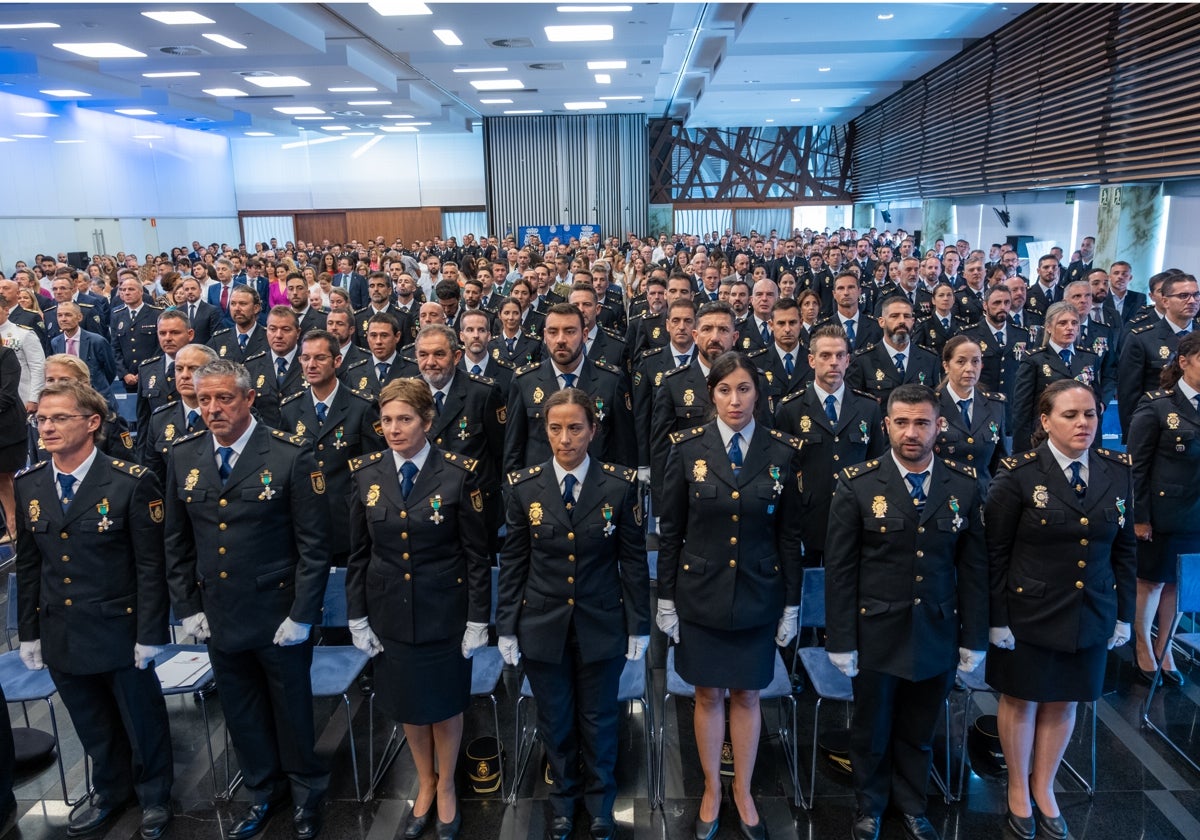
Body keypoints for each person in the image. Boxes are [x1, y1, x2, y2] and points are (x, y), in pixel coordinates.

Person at [164, 359, 332, 840]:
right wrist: (187, 607)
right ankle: (263, 790)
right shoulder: (183, 456)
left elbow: (314, 547)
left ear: (248, 398)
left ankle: (306, 791)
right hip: (218, 610)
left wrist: (303, 614)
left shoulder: (289, 455)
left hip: (278, 611)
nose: (212, 409)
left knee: (291, 708)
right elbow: (176, 543)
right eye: (203, 400)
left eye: (223, 399)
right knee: (240, 711)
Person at [824, 383, 988, 840]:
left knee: (919, 729)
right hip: (876, 627)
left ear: (940, 426)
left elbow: (973, 569)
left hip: (936, 627)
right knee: (871, 730)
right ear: (887, 427)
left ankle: (913, 804)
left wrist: (973, 636)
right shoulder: (857, 484)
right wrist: (841, 639)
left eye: (921, 422)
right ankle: (870, 806)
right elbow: (840, 570)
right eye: (901, 422)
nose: (911, 432)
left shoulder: (965, 485)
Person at [14, 380, 173, 839]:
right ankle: (110, 789)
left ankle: (155, 796)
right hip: (62, 626)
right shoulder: (31, 483)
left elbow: (150, 565)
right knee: (91, 722)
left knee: (141, 720)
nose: (47, 427)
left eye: (60, 418)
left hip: (118, 626)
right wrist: (29, 631)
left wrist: (150, 632)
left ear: (92, 422)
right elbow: (29, 564)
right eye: (42, 419)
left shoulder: (130, 483)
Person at [656, 352, 804, 840]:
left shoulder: (782, 450)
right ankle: (711, 790)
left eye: (743, 389)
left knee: (746, 693)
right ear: (710, 394)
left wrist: (791, 603)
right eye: (724, 390)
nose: (734, 399)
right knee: (707, 694)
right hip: (700, 592)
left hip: (760, 592)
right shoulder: (684, 448)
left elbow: (789, 536)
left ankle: (741, 789)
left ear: (757, 394)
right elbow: (671, 530)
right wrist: (666, 599)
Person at [985, 379, 1135, 840]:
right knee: (1023, 700)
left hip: (1090, 608)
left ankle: (1044, 787)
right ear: (1046, 421)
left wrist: (1125, 614)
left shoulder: (1117, 470)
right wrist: (996, 619)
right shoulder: (1019, 474)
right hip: (1029, 611)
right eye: (1070, 415)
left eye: (1089, 414)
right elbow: (994, 552)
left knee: (1064, 700)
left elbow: (1126, 550)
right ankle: (1017, 788)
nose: (1083, 423)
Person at [497, 389, 650, 840]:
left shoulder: (619, 485)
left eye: (576, 427)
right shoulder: (524, 486)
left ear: (593, 430)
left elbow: (633, 561)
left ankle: (600, 803)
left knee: (600, 718)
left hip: (601, 620)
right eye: (556, 428)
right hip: (542, 623)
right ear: (545, 431)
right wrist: (506, 624)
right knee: (556, 720)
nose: (566, 438)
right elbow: (514, 561)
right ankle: (563, 801)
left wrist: (638, 623)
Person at [345, 379, 490, 840]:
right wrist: (356, 615)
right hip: (390, 612)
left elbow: (477, 555)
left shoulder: (458, 473)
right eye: (386, 419)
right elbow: (358, 553)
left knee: (445, 706)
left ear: (427, 422)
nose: (394, 428)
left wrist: (477, 619)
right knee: (409, 706)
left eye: (404, 419)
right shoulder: (366, 473)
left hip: (444, 609)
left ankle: (447, 786)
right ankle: (423, 783)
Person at [774, 325, 886, 568]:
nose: (833, 362)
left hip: (856, 519)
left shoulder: (868, 408)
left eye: (839, 356)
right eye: (825, 356)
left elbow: (878, 465)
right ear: (812, 360)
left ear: (848, 360)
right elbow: (782, 473)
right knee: (810, 596)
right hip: (808, 522)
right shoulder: (790, 409)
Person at [1126, 332, 1200, 686]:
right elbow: (1136, 466)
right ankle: (1142, 645)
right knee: (1152, 583)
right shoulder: (1158, 405)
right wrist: (1140, 517)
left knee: (1177, 584)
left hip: (1196, 514)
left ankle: (1165, 645)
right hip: (1161, 513)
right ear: (1183, 362)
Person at [1011, 302, 1100, 453]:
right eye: (1062, 323)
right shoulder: (1034, 360)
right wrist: (1022, 451)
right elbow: (1022, 410)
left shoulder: (1089, 357)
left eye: (1074, 323)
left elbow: (1096, 400)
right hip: (1045, 438)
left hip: (1082, 438)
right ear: (1049, 327)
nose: (1070, 327)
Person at [934, 336, 1008, 482]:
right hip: (945, 495)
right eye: (961, 362)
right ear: (946, 366)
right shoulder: (932, 404)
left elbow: (1000, 461)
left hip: (983, 496)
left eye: (975, 361)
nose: (969, 368)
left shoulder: (995, 405)